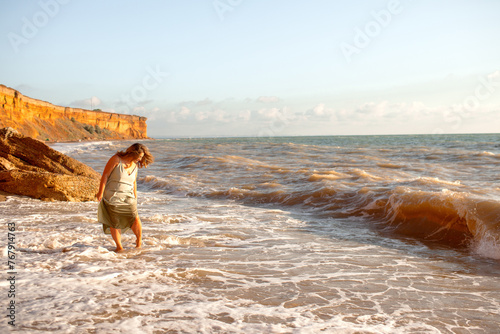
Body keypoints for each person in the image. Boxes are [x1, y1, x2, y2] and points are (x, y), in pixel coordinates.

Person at [96, 143, 154, 252]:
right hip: (113, 195)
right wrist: (100, 192)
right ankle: (119, 247)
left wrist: (135, 197)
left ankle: (139, 242)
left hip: (128, 196)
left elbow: (134, 182)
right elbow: (105, 175)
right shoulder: (116, 159)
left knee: (135, 218)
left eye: (142, 157)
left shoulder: (135, 165)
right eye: (140, 156)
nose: (141, 159)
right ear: (133, 153)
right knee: (115, 222)